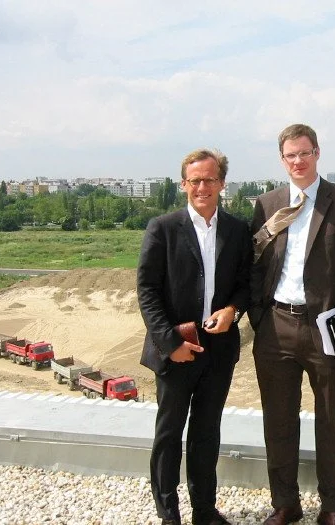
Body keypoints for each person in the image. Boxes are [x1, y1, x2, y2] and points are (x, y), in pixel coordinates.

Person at [249, 124, 335, 525]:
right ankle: (285, 503)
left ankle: (332, 507)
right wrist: (258, 317)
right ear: (282, 159)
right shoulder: (268, 204)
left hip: (327, 328)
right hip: (275, 327)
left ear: (317, 153)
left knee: (332, 419)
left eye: (305, 153)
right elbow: (255, 264)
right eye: (291, 155)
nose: (298, 161)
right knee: (278, 420)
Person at [137, 148, 251, 525]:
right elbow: (147, 291)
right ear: (184, 184)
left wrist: (233, 309)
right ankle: (168, 512)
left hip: (219, 350)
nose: (203, 187)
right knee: (169, 433)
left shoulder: (237, 230)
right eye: (195, 180)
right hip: (177, 348)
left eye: (210, 179)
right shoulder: (163, 228)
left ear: (222, 183)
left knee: (206, 433)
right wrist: (170, 344)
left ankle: (204, 510)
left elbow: (245, 284)